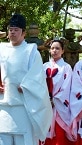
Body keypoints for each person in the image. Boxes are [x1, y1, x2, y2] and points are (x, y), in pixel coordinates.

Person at [0, 13, 52, 145]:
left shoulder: (31, 51)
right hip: (3, 106)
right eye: (10, 30)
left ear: (23, 33)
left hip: (24, 105)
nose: (12, 33)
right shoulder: (1, 49)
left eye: (16, 30)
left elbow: (37, 77)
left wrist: (26, 86)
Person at [42, 40, 75, 145]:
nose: (54, 51)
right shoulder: (44, 67)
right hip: (45, 104)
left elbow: (67, 86)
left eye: (57, 48)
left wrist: (54, 100)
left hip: (59, 105)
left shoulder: (66, 67)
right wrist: (45, 99)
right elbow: (39, 85)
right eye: (52, 48)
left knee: (59, 133)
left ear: (62, 51)